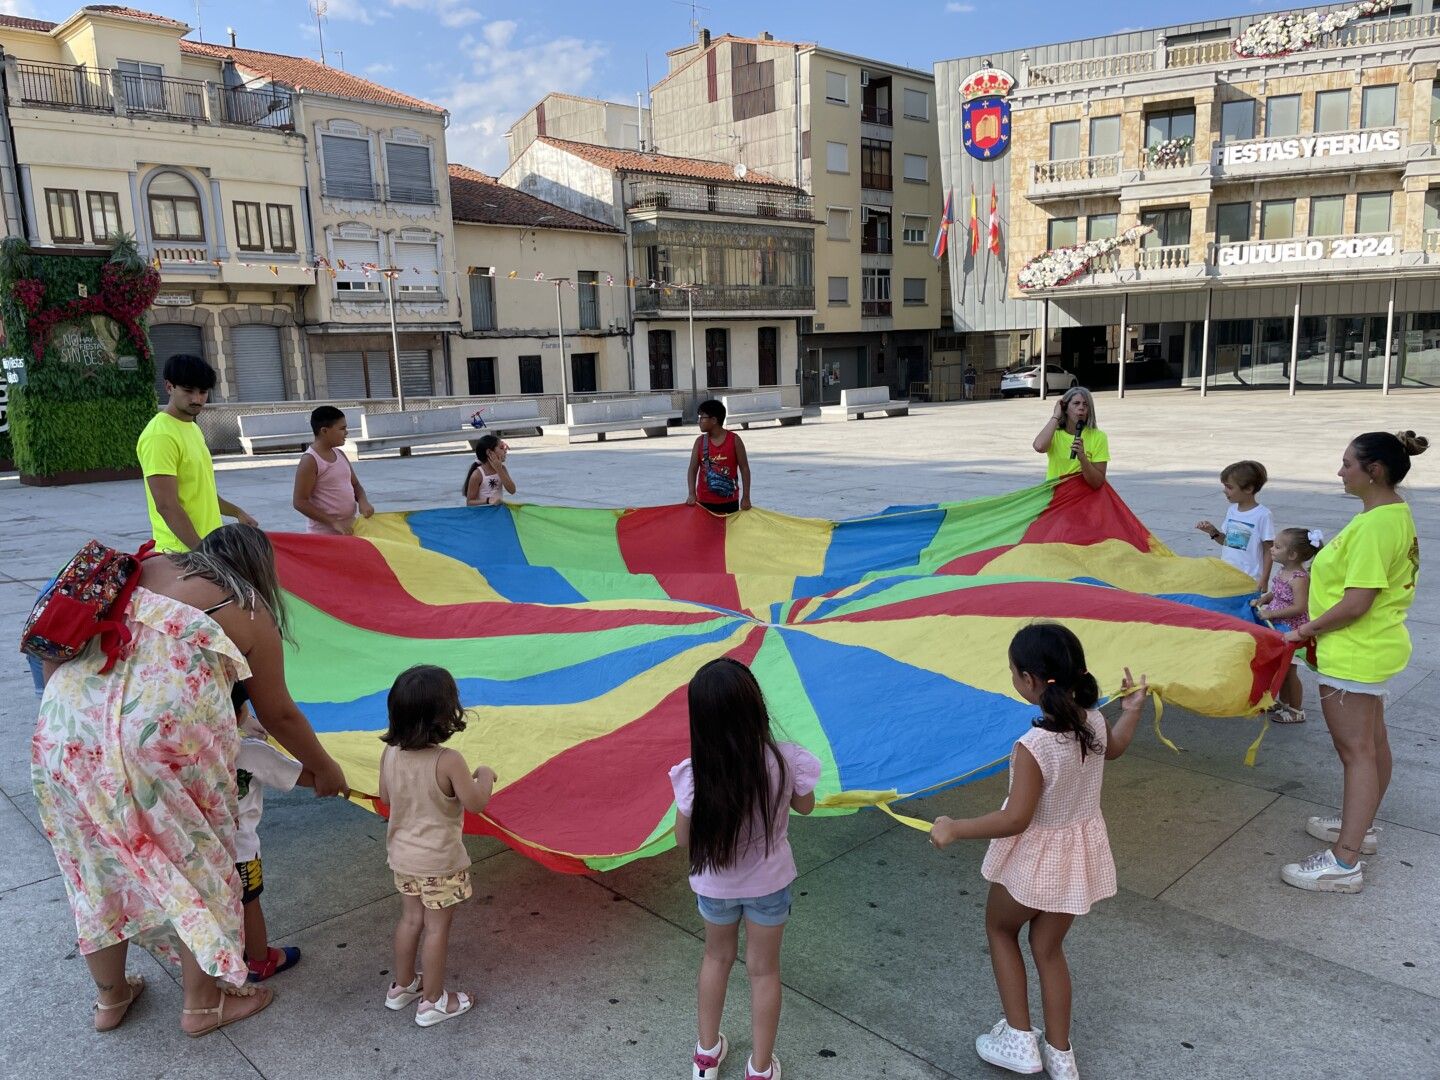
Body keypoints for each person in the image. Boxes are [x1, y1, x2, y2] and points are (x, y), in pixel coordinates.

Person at [31, 524, 347, 1036]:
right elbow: (280, 714)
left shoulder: (139, 568)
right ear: (262, 571)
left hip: (64, 736)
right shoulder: (246, 606)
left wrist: (82, 718)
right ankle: (203, 1007)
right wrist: (326, 768)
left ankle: (111, 1000)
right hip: (161, 750)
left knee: (94, 872)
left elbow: (51, 646)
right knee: (195, 865)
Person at [930, 624, 1147, 1080]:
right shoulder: (1092, 720)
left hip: (1034, 863)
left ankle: (1019, 1039)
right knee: (1048, 950)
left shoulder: (1035, 746)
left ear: (1030, 680)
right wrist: (1131, 711)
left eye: (1013, 672)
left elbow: (1016, 819)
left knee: (1000, 929)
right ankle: (1061, 1055)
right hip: (1075, 860)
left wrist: (955, 827)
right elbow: (1118, 747)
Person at [1280, 431, 1427, 894]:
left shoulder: (1376, 525)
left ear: (1374, 471)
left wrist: (1303, 630)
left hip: (1355, 650)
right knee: (1372, 742)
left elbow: (1358, 601)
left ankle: (1344, 862)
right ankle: (1358, 830)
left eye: (1347, 464)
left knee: (1356, 751)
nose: (1339, 471)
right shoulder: (1388, 514)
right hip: (1368, 646)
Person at [669, 658, 820, 1080]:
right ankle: (759, 1068)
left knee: (716, 959)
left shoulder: (696, 775)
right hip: (769, 887)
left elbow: (683, 839)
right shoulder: (784, 760)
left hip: (715, 888)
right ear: (756, 707)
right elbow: (805, 805)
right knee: (764, 971)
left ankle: (706, 1056)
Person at [380, 665, 496, 1027]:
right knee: (436, 928)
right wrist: (486, 776)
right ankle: (432, 1001)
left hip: (402, 857)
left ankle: (402, 987)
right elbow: (476, 802)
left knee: (410, 919)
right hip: (440, 864)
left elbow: (385, 797)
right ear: (445, 715)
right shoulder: (448, 761)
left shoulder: (390, 755)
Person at [230, 680, 310, 981]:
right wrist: (331, 776)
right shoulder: (251, 753)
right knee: (249, 903)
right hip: (242, 851)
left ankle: (223, 957)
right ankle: (260, 959)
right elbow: (297, 774)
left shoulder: (185, 749)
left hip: (200, 852)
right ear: (238, 713)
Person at [137, 354, 256, 552]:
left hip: (207, 547)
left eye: (202, 392)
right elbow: (166, 505)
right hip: (182, 553)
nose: (196, 399)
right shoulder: (160, 435)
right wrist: (201, 551)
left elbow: (202, 492)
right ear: (169, 387)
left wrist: (237, 512)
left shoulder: (192, 428)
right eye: (188, 390)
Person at [1254, 527, 1323, 724]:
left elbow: (1300, 607)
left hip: (1292, 631)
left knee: (1289, 671)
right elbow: (1277, 592)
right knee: (1280, 669)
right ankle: (1282, 703)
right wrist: (1264, 599)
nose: (1271, 550)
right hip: (1278, 628)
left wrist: (1271, 613)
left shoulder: (1300, 578)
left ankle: (1296, 709)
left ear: (1292, 554)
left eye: (1277, 547)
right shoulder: (1284, 570)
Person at [292, 405, 374, 534]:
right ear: (324, 431)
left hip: (350, 529)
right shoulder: (310, 460)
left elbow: (356, 485)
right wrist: (333, 522)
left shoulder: (340, 454)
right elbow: (299, 502)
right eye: (342, 428)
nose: (346, 432)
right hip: (324, 535)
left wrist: (363, 501)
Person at [1196, 460, 1275, 592]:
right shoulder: (1232, 511)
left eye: (1229, 487)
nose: (1224, 491)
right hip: (1228, 575)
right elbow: (1231, 542)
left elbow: (1269, 549)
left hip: (1250, 578)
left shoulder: (1263, 515)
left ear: (1249, 489)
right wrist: (1213, 531)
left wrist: (1265, 579)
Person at [1031, 387, 1108, 490]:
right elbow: (1039, 447)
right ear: (1065, 408)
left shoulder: (1098, 437)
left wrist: (1082, 457)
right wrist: (1056, 415)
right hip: (1055, 495)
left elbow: (1098, 482)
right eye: (1076, 403)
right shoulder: (1054, 433)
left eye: (1085, 404)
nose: (1081, 407)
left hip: (1083, 499)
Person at [686, 400, 752, 514]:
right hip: (704, 502)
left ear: (714, 420)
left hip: (730, 502)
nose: (699, 421)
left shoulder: (734, 440)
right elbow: (692, 469)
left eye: (702, 417)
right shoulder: (699, 442)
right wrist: (692, 493)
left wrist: (746, 497)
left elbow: (744, 469)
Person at [463, 434, 516, 506]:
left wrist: (499, 470)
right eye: (501, 448)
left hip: (497, 512)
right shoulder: (477, 474)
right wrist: (488, 500)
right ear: (489, 452)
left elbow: (512, 490)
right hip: (483, 514)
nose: (505, 451)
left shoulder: (502, 469)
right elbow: (469, 502)